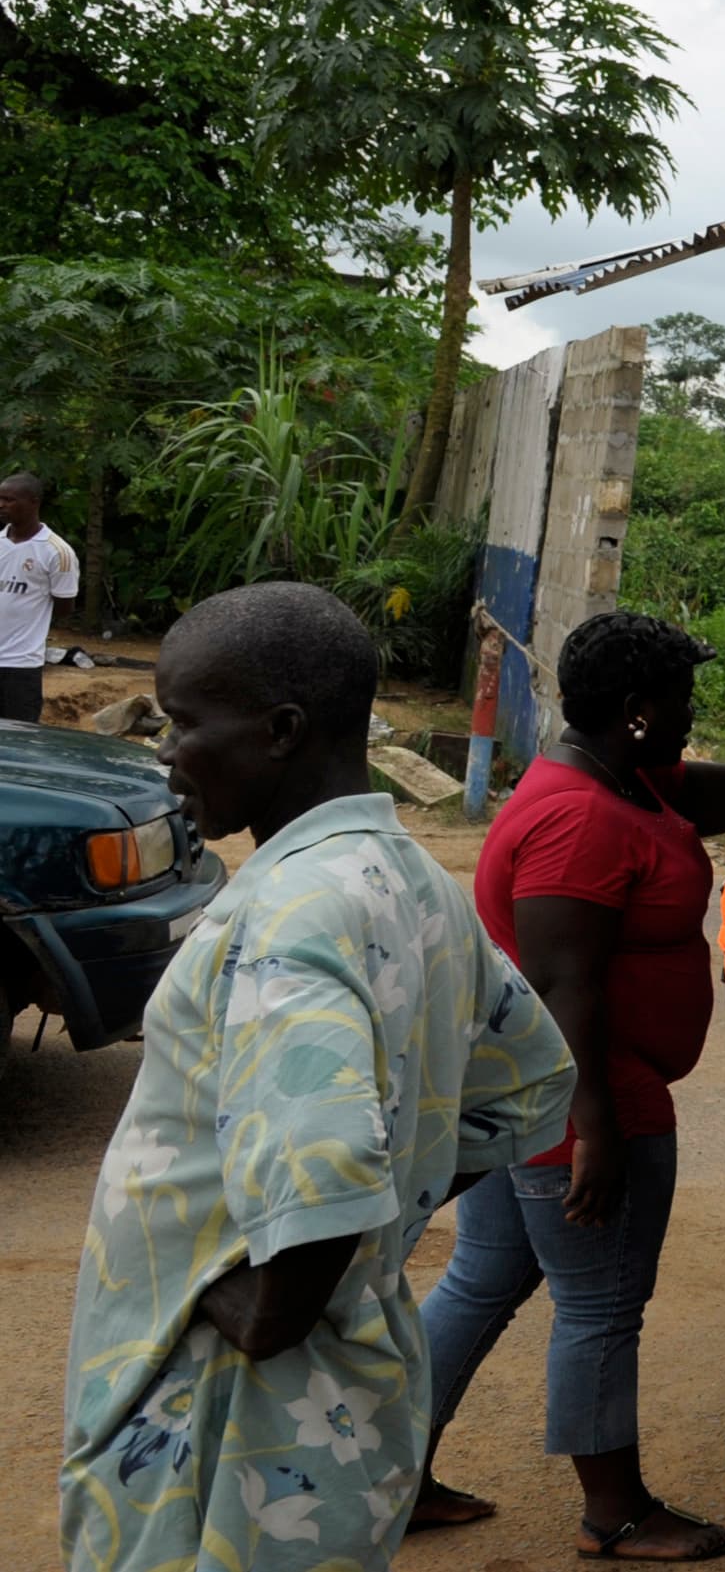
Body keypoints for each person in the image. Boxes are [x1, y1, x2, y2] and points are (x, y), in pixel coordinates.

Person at [61, 582, 574, 1570]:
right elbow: (528, 1078)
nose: (164, 751)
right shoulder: (410, 877)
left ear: (281, 729)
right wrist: (387, 1214)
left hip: (224, 1438)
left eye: (183, 722)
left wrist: (257, 1294)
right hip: (338, 1417)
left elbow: (329, 1163)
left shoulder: (289, 920)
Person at [412, 610, 725, 1559]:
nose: (693, 717)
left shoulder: (618, 778)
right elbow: (567, 986)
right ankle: (617, 1510)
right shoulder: (580, 817)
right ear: (639, 712)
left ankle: (390, 1473)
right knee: (601, 1305)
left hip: (545, 1095)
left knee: (481, 1280)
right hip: (585, 1100)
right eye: (682, 702)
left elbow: (722, 790)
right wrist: (591, 1130)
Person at [0, 469, 85, 723]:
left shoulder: (57, 552)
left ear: (34, 502)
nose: (1, 505)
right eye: (0, 498)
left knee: (18, 741)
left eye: (9, 499)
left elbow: (64, 607)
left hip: (20, 665)